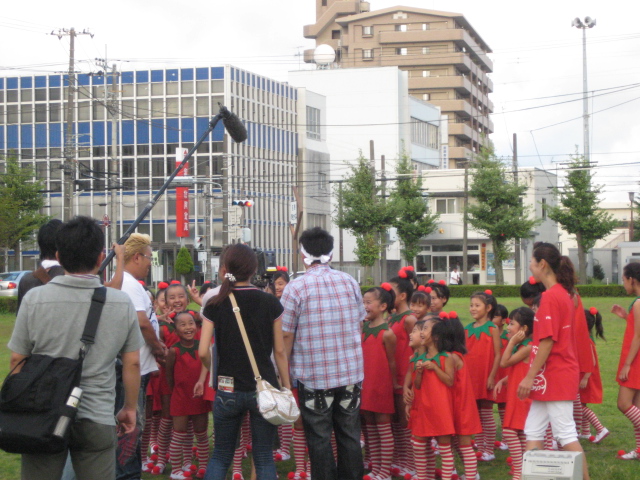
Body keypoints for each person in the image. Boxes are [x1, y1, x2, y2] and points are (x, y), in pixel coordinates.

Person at [8, 216, 144, 480]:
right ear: (100, 257)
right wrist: (129, 408)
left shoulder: (35, 298)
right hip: (96, 414)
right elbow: (132, 363)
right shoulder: (120, 302)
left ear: (59, 255)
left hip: (43, 412)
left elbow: (17, 358)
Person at [199, 243, 290, 480]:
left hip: (227, 388)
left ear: (225, 269)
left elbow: (202, 351)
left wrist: (213, 371)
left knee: (220, 455)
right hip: (264, 388)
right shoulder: (271, 303)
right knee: (263, 457)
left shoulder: (215, 303)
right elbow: (280, 351)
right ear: (253, 269)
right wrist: (286, 385)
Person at [280, 227, 365, 480]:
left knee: (319, 438)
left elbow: (286, 337)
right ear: (330, 252)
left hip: (314, 377)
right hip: (350, 373)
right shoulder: (349, 281)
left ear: (303, 254)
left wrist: (284, 376)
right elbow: (359, 324)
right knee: (349, 434)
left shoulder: (295, 288)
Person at [517, 242, 589, 480]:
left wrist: (528, 376)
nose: (530, 266)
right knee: (533, 430)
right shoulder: (562, 294)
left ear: (542, 264)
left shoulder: (551, 297)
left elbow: (547, 341)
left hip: (556, 376)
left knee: (565, 434)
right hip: (549, 377)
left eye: (531, 261)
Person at [116, 233, 167, 480]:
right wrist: (158, 348)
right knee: (130, 432)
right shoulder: (129, 284)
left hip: (140, 367)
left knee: (134, 430)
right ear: (136, 257)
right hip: (132, 369)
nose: (150, 263)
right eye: (149, 258)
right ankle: (128, 475)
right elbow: (142, 322)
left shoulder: (127, 283)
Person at [166, 311, 211, 480]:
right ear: (176, 330)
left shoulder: (202, 347)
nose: (188, 327)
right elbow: (169, 376)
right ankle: (176, 469)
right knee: (179, 433)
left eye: (191, 323)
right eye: (182, 325)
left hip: (198, 398)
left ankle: (204, 467)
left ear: (197, 326)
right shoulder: (173, 351)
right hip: (180, 398)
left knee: (201, 433)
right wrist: (176, 392)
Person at [410, 315, 456, 480]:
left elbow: (450, 381)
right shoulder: (420, 359)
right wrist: (420, 372)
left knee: (444, 448)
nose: (421, 332)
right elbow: (417, 385)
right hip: (424, 407)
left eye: (425, 329)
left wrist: (436, 369)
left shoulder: (446, 357)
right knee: (418, 444)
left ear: (436, 336)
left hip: (440, 408)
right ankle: (423, 476)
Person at [361, 285, 397, 480]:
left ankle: (385, 470)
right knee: (371, 428)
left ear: (383, 306)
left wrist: (393, 384)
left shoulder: (388, 333)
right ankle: (375, 466)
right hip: (365, 383)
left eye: (369, 302)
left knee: (383, 428)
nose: (365, 306)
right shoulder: (362, 327)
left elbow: (391, 362)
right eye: (363, 302)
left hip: (380, 385)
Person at [494, 307, 534, 480]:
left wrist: (510, 343)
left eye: (512, 324)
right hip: (516, 394)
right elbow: (518, 369)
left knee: (510, 432)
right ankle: (525, 469)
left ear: (523, 329)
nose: (508, 327)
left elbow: (504, 363)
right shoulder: (524, 345)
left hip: (522, 396)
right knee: (520, 433)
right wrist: (504, 381)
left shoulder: (527, 346)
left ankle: (519, 471)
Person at [465, 290, 501, 461]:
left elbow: (498, 354)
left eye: (477, 305)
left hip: (486, 375)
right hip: (471, 377)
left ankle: (489, 448)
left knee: (486, 413)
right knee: (476, 414)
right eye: (471, 305)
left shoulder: (493, 329)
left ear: (488, 308)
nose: (473, 309)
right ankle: (480, 447)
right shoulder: (467, 329)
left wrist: (492, 376)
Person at [612, 262, 640, 459]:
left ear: (631, 279)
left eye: (623, 280)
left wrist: (628, 364)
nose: (623, 284)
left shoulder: (638, 302)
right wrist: (626, 317)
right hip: (636, 358)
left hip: (636, 360)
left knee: (624, 404)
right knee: (636, 407)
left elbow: (638, 336)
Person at [448, 312, 481, 480]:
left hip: (460, 406)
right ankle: (469, 473)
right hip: (456, 404)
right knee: (457, 443)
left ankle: (471, 475)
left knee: (464, 444)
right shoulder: (454, 355)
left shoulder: (453, 357)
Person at [580, 307, 608, 443]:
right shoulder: (586, 337)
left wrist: (585, 377)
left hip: (585, 376)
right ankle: (585, 431)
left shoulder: (585, 340)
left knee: (580, 406)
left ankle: (600, 428)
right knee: (582, 403)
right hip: (585, 375)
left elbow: (591, 360)